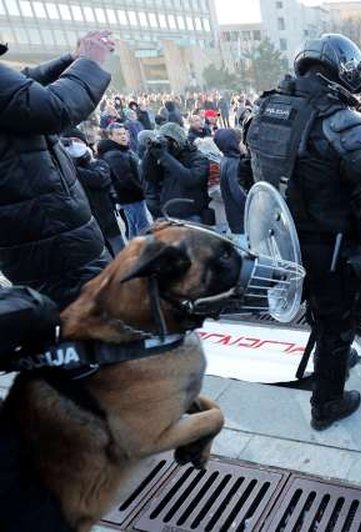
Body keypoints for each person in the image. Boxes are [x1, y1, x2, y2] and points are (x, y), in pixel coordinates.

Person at [244, 33, 361, 430]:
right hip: (331, 248)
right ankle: (327, 403)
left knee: (318, 314)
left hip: (282, 244)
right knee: (336, 326)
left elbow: (251, 177)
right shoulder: (343, 122)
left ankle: (327, 367)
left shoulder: (265, 109)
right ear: (343, 71)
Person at [0, 31, 114, 531]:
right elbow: (50, 109)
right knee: (86, 332)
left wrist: (67, 58)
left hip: (36, 237)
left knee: (69, 330)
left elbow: (22, 89)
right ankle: (80, 449)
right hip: (51, 238)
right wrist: (89, 63)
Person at [63, 130, 126, 256]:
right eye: (70, 143)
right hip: (87, 226)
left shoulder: (98, 163)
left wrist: (71, 168)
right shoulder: (65, 171)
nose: (74, 145)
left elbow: (100, 179)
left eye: (77, 141)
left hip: (107, 220)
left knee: (121, 255)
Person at [145, 122, 211, 223]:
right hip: (168, 215)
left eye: (168, 141)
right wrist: (150, 154)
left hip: (191, 215)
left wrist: (164, 156)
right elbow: (150, 177)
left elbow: (191, 179)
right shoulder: (167, 158)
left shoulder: (197, 157)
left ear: (177, 141)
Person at [98, 123, 151, 238]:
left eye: (124, 133)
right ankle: (142, 250)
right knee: (142, 225)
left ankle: (134, 249)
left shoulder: (121, 150)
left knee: (133, 225)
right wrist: (142, 190)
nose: (123, 136)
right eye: (119, 134)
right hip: (131, 196)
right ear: (110, 136)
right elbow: (126, 179)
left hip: (129, 196)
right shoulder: (115, 154)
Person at [214, 128, 247, 238]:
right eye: (241, 142)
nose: (244, 145)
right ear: (233, 144)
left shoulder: (226, 159)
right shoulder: (234, 164)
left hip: (234, 219)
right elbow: (239, 194)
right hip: (242, 222)